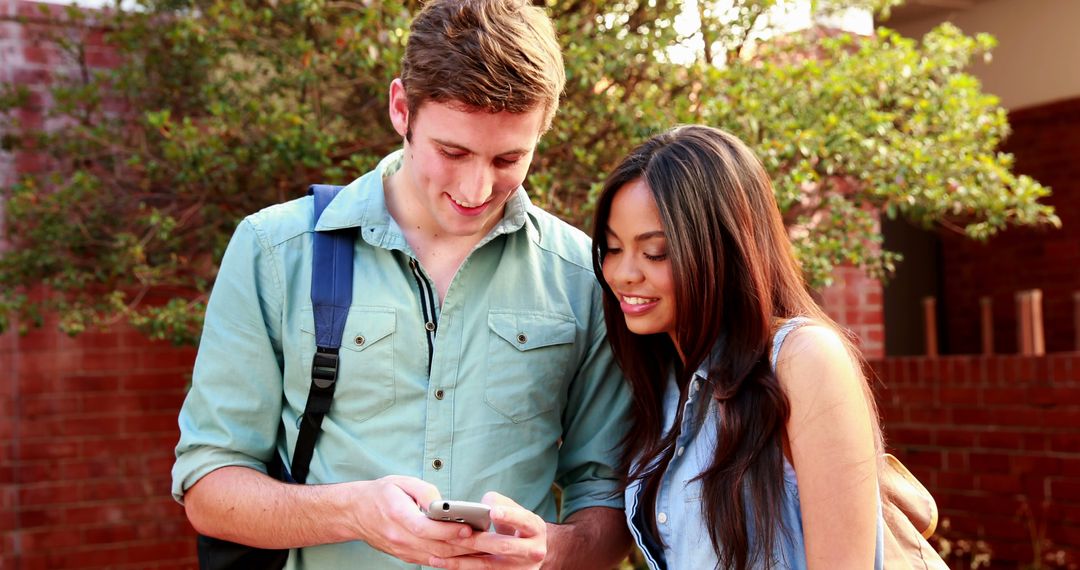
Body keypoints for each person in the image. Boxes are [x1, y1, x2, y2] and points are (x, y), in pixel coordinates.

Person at [171, 1, 632, 568]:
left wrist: (554, 550)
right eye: (452, 151)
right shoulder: (274, 251)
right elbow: (208, 487)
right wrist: (351, 512)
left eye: (510, 158)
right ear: (400, 109)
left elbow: (610, 493)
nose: (476, 187)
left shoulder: (582, 275)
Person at [591, 125, 885, 569]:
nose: (624, 274)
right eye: (613, 249)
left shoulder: (804, 360)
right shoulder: (661, 383)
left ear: (721, 248)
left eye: (655, 253)